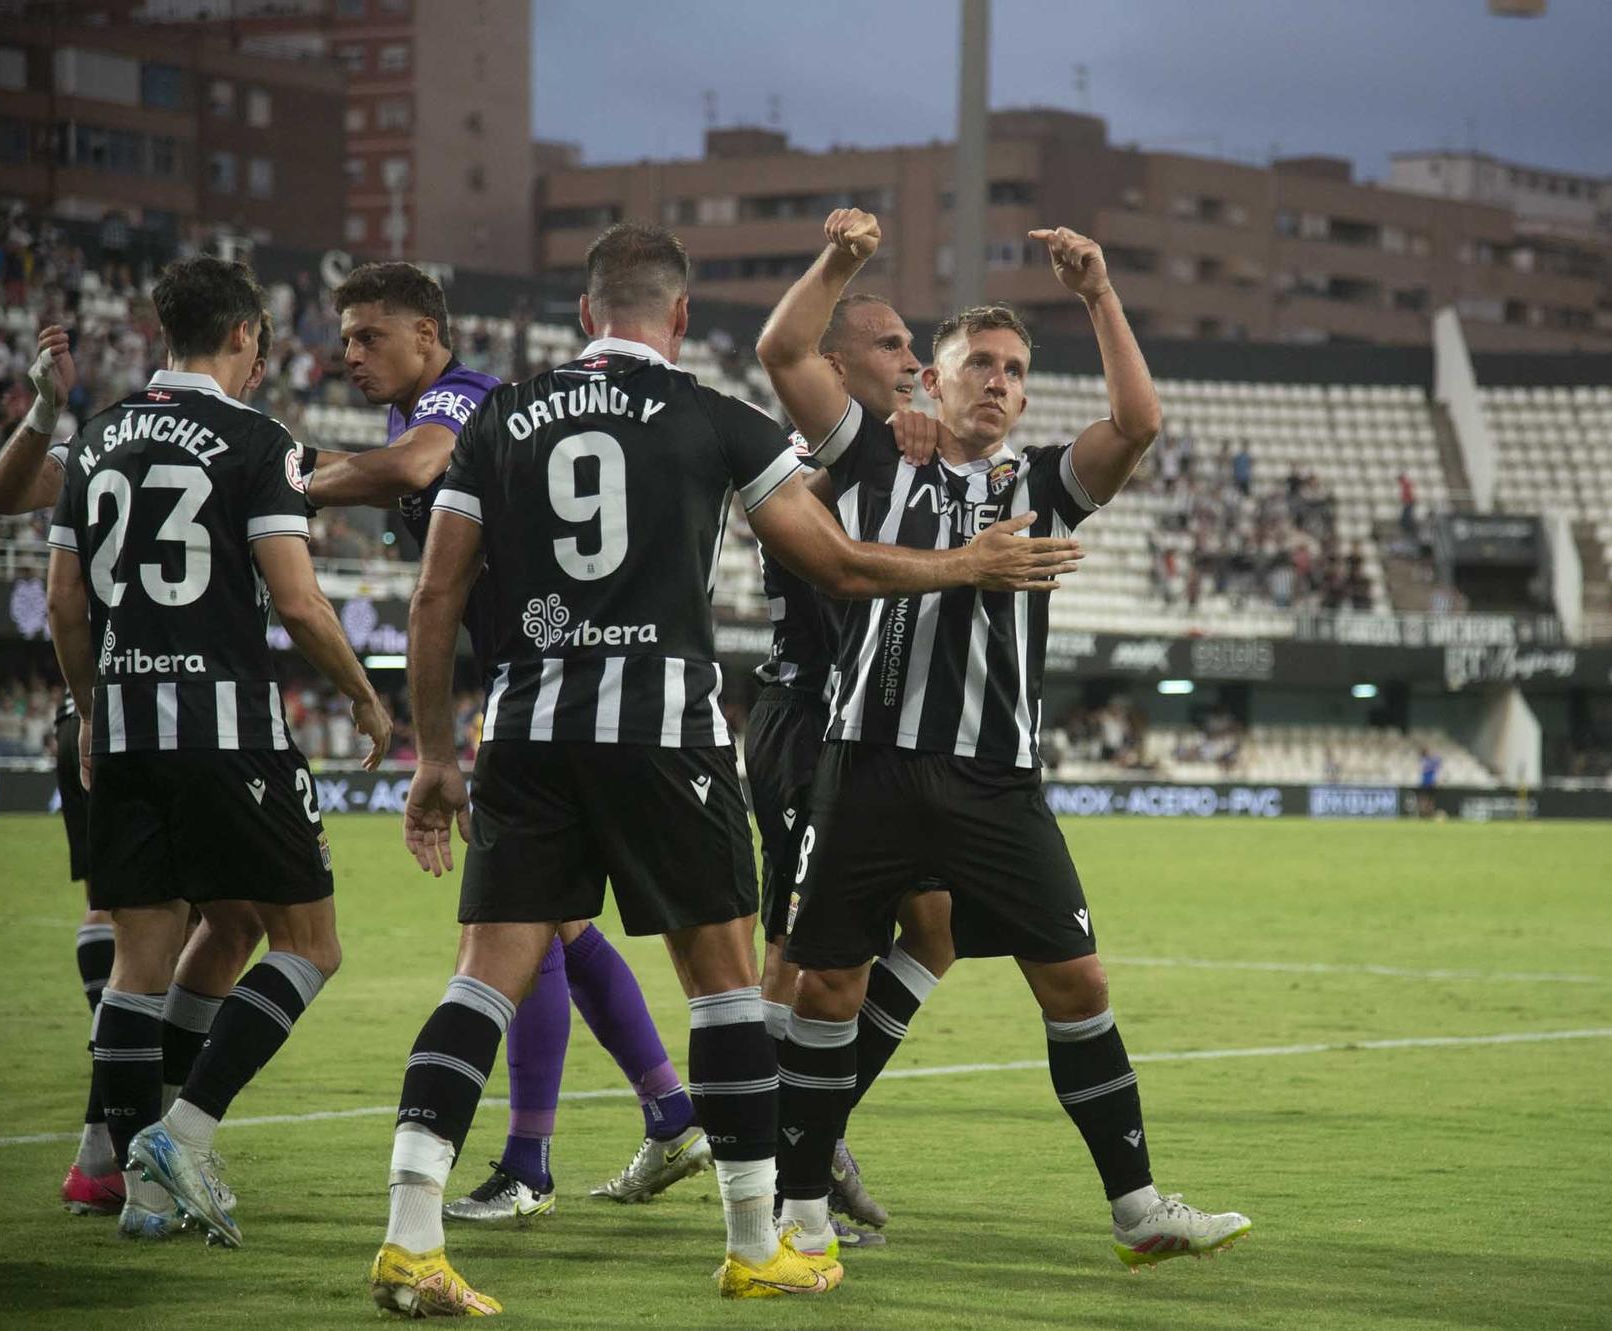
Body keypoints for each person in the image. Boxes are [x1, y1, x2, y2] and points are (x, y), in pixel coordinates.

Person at [370, 220, 1079, 1313]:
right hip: (665, 733)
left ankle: (410, 1237)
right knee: (724, 990)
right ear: (681, 316)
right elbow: (839, 566)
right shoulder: (713, 418)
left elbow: (434, 595)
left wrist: (432, 752)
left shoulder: (500, 416)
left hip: (525, 729)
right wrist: (967, 561)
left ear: (585, 314)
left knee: (480, 982)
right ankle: (755, 1242)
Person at [757, 209, 1250, 1271]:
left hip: (998, 781)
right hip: (867, 764)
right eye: (978, 363)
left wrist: (1098, 293)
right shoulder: (877, 459)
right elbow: (784, 352)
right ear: (929, 382)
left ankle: (1137, 1208)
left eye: (1015, 370)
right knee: (827, 986)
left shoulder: (1042, 484)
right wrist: (841, 259)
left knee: (1078, 984)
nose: (997, 380)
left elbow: (1138, 421)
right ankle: (799, 1218)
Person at [305, 262, 706, 1222]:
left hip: (557, 694)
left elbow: (416, 470)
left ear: (428, 334)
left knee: (521, 926)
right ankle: (665, 1113)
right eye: (346, 337)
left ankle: (536, 1162)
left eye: (370, 335)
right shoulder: (423, 413)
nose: (350, 354)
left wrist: (284, 479)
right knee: (552, 923)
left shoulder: (466, 398)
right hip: (532, 691)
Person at [44, 256, 392, 1247]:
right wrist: (363, 694)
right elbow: (297, 599)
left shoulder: (97, 437)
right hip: (226, 729)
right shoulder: (255, 439)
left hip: (127, 729)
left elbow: (66, 601)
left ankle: (133, 1184)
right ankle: (182, 1134)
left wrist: (90, 709)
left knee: (144, 957)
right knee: (309, 943)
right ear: (244, 334)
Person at [0, 321, 275, 1220]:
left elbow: (8, 501)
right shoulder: (220, 441)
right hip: (161, 717)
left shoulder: (105, 438)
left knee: (174, 928)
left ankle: (106, 1154)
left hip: (103, 713)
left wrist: (48, 411)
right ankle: (133, 1153)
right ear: (241, 343)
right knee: (172, 933)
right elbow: (5, 497)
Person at [749, 292, 960, 1238]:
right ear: (833, 367)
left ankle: (815, 1129)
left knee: (938, 926)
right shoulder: (802, 462)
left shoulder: (894, 456)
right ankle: (774, 1165)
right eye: (890, 344)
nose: (912, 360)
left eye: (915, 345)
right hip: (805, 727)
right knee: (794, 959)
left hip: (870, 734)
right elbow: (819, 534)